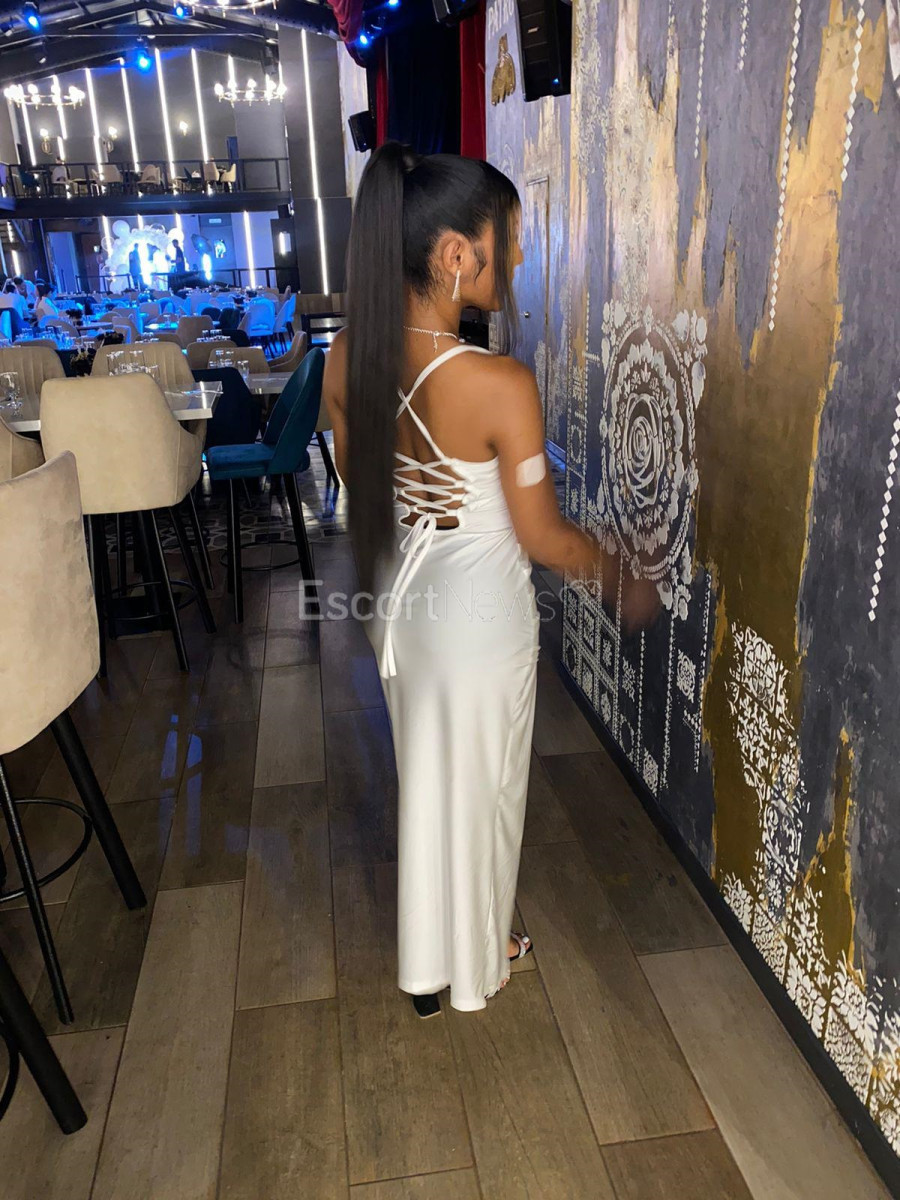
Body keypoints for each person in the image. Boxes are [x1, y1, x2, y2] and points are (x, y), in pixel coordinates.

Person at [323, 144, 659, 1017]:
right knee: (486, 794)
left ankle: (429, 965)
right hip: (478, 619)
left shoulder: (346, 356)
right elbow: (542, 538)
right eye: (508, 237)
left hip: (401, 605)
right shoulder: (498, 383)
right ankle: (476, 961)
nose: (518, 254)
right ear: (453, 255)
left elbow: (357, 480)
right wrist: (619, 572)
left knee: (430, 781)